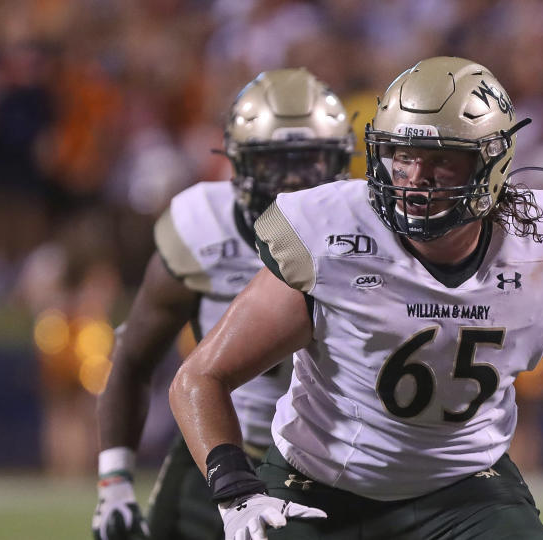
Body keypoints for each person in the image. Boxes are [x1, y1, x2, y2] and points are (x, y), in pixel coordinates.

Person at [169, 56, 543, 540]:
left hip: (464, 489)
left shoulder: (542, 252)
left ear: (492, 164)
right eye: (401, 155)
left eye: (443, 160)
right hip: (318, 486)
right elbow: (201, 376)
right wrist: (235, 489)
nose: (415, 179)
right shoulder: (331, 239)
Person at [92, 68, 354, 540]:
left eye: (310, 160)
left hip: (331, 465)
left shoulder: (371, 233)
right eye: (276, 161)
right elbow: (133, 357)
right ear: (238, 162)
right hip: (219, 448)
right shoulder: (202, 226)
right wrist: (115, 483)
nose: (294, 179)